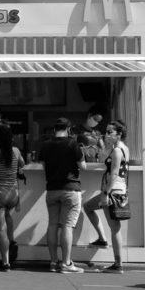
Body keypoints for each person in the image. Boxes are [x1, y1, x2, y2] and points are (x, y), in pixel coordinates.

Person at [40, 117, 87, 274]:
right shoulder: (72, 143)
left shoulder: (46, 144)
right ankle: (66, 263)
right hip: (70, 189)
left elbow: (43, 166)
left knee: (53, 225)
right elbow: (83, 166)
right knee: (67, 226)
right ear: (68, 129)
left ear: (55, 129)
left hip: (52, 190)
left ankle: (53, 262)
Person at [84, 120, 131, 273]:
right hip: (118, 190)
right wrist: (104, 146)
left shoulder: (117, 151)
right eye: (106, 131)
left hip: (112, 191)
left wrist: (105, 194)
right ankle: (103, 242)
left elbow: (114, 173)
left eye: (110, 132)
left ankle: (118, 264)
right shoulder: (121, 148)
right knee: (89, 207)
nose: (107, 134)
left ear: (119, 134)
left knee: (115, 228)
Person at [0, 122, 25, 271]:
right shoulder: (16, 150)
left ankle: (5, 262)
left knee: (0, 229)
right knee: (8, 218)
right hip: (13, 193)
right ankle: (12, 242)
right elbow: (22, 164)